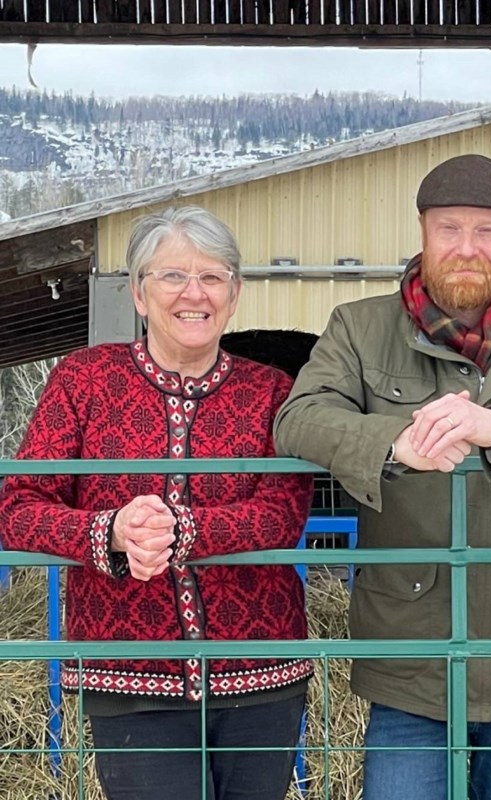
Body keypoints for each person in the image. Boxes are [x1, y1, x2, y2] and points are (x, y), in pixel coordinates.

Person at [273, 154, 491, 800]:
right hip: (410, 650)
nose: (466, 248)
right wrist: (393, 441)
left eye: (486, 232)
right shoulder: (360, 329)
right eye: (449, 229)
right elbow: (299, 419)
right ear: (422, 231)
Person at [0, 206, 314, 800]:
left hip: (261, 674)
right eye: (171, 276)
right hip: (129, 672)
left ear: (234, 292)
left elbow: (282, 511)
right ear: (139, 295)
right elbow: (19, 506)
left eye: (212, 276)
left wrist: (184, 531)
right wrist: (110, 531)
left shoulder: (272, 391)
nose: (193, 293)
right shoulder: (83, 380)